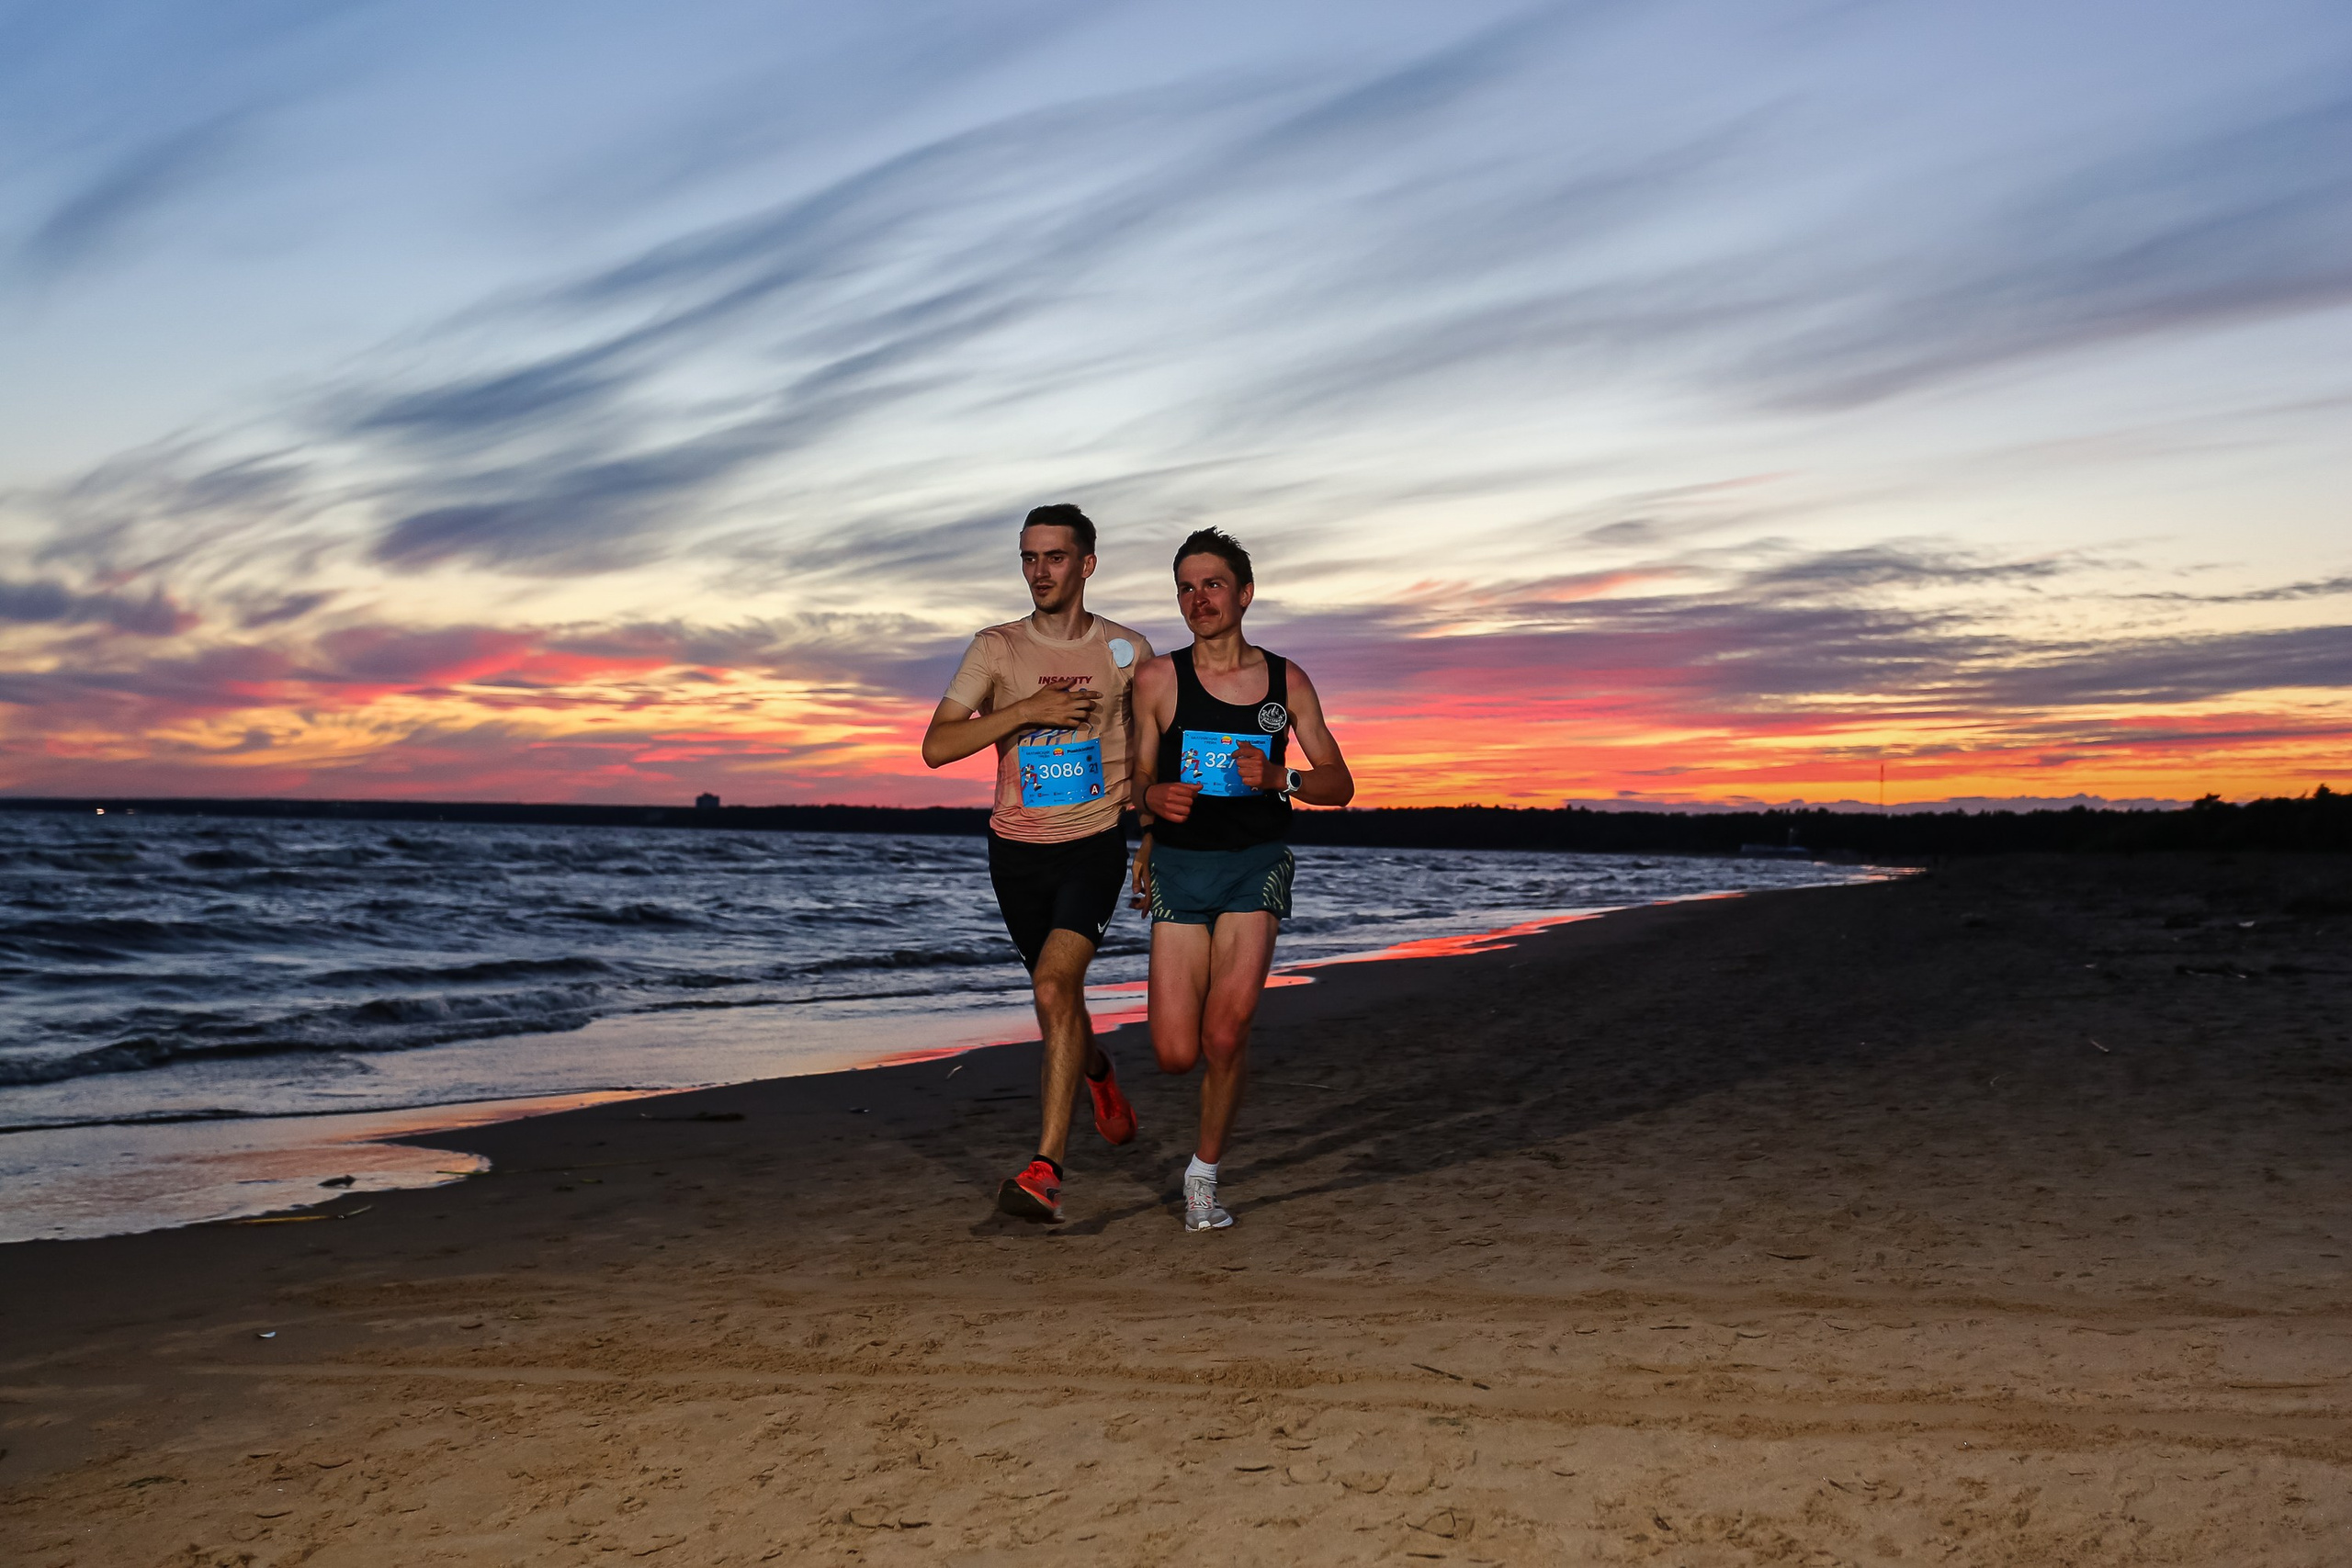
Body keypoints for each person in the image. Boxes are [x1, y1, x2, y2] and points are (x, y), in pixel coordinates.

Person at [922, 504, 1154, 1223]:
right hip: (1015, 851)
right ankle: (1098, 1072)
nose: (1039, 572)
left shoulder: (1129, 651)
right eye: (1028, 557)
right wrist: (1025, 710)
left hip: (1093, 844)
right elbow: (937, 746)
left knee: (1055, 988)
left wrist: (1152, 839)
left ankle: (1046, 1169)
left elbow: (1154, 753)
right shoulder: (995, 648)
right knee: (1060, 1000)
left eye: (1054, 557)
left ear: (1087, 563)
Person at [1130, 527, 1353, 1231]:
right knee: (1173, 1052)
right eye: (1187, 587)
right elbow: (1136, 778)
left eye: (1213, 584)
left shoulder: (1288, 682)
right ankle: (1231, 1035)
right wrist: (1150, 802)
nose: (1199, 598)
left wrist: (1281, 777)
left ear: (1244, 593)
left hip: (1255, 864)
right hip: (1178, 870)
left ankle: (1203, 1176)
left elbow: (1340, 783)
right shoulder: (1158, 679)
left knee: (1223, 1036)